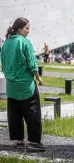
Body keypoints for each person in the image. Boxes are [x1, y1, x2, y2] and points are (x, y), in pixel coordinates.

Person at [0, 17, 45, 151]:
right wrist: (39, 78)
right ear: (19, 29)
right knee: (33, 113)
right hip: (26, 86)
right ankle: (33, 142)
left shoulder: (6, 43)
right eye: (27, 28)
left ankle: (19, 140)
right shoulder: (25, 42)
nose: (29, 31)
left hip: (11, 86)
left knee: (15, 114)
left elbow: (3, 62)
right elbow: (32, 64)